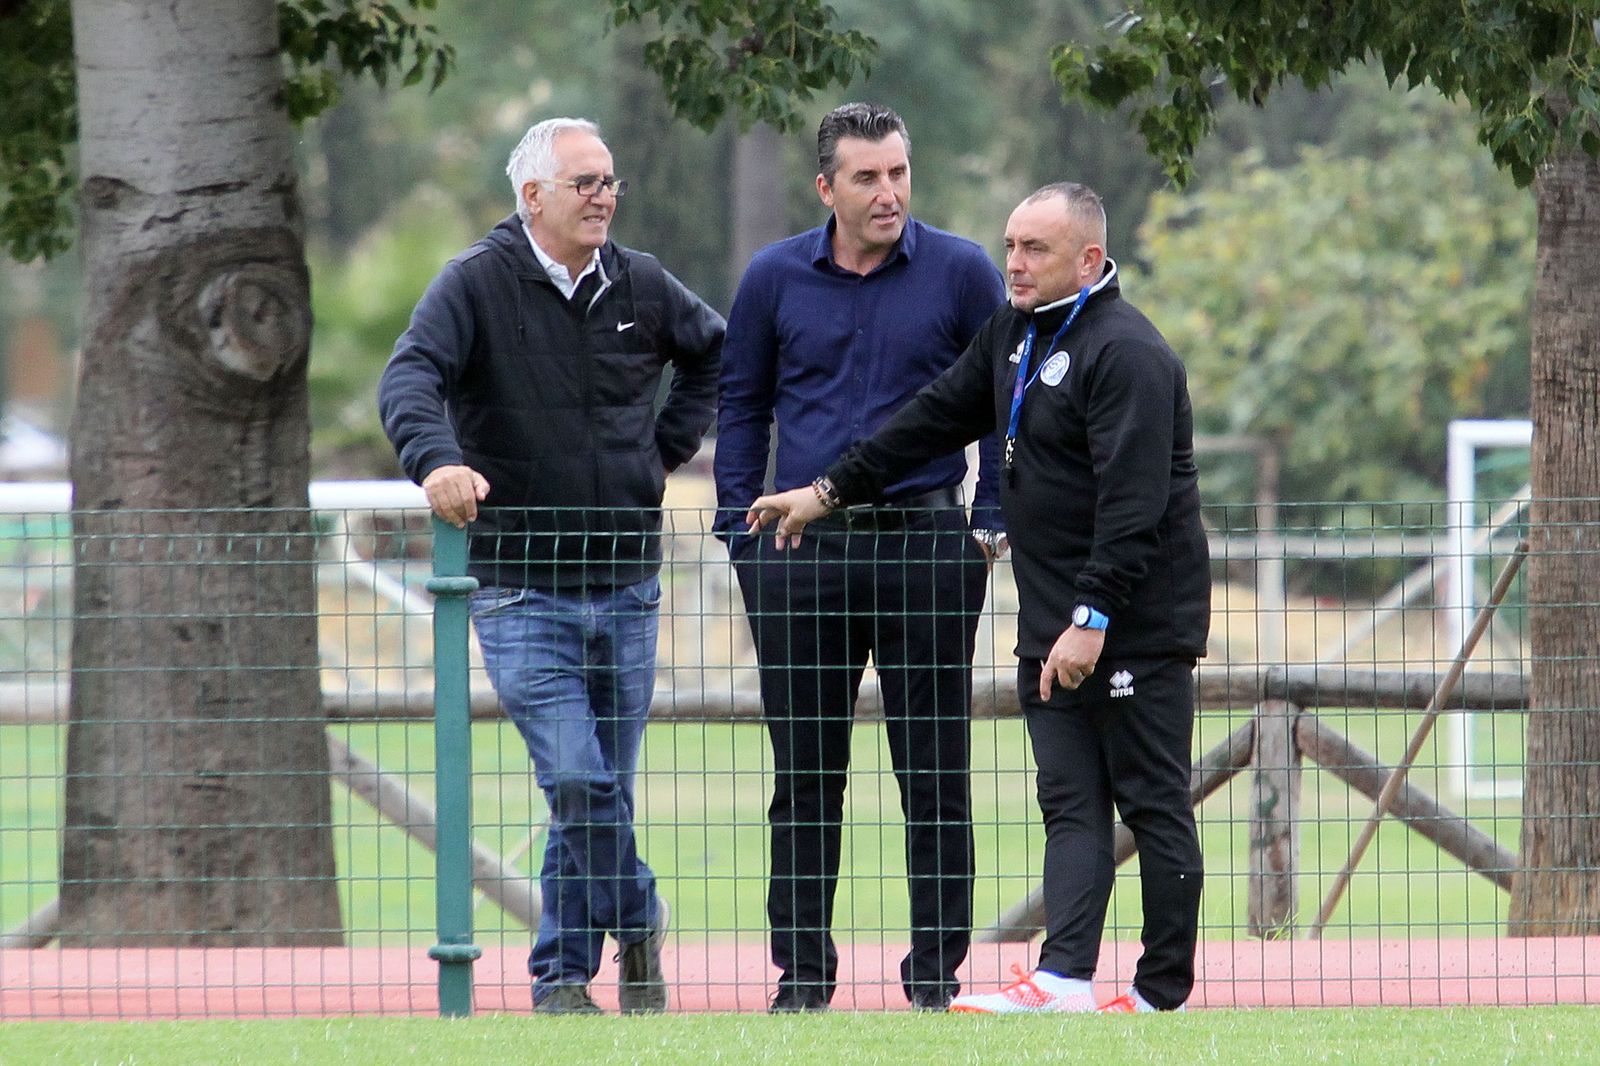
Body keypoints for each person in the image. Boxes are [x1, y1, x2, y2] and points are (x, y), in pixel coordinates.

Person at [745, 182, 1210, 1014]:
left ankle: (1160, 994)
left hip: (1132, 624)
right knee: (1069, 804)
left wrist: (1093, 617)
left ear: (1089, 260)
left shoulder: (1128, 352)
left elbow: (1135, 508)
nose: (1015, 264)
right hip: (1052, 622)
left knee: (1150, 803)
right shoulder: (1013, 336)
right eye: (1010, 246)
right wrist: (826, 490)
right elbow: (926, 421)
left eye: (1035, 250)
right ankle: (1064, 978)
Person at [379, 117, 724, 1015]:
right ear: (533, 196)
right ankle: (640, 919)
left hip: (629, 585)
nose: (604, 196)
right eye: (586, 183)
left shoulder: (641, 282)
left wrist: (662, 453)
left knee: (594, 792)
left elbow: (713, 354)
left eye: (610, 181)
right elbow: (409, 377)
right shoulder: (473, 284)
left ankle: (562, 979)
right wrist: (436, 459)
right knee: (578, 778)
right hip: (521, 589)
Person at [715, 102, 1008, 1013]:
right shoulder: (772, 279)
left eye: (898, 173)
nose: (888, 193)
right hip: (798, 554)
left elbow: (1006, 399)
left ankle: (935, 979)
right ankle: (802, 977)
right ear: (826, 187)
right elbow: (742, 405)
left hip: (927, 545)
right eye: (866, 178)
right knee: (804, 776)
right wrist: (739, 536)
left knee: (934, 772)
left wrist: (985, 521)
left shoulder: (962, 273)